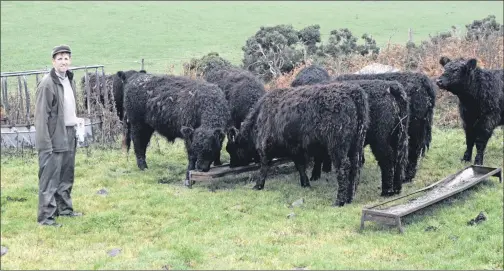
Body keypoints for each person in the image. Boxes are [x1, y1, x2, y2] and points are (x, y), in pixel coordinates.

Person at [34, 44, 83, 227]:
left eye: (66, 58)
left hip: (69, 133)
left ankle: (64, 210)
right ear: (53, 61)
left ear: (70, 61)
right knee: (49, 178)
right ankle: (46, 218)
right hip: (53, 137)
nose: (64, 61)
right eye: (60, 58)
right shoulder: (47, 84)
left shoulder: (68, 79)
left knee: (66, 175)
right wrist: (45, 144)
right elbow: (41, 117)